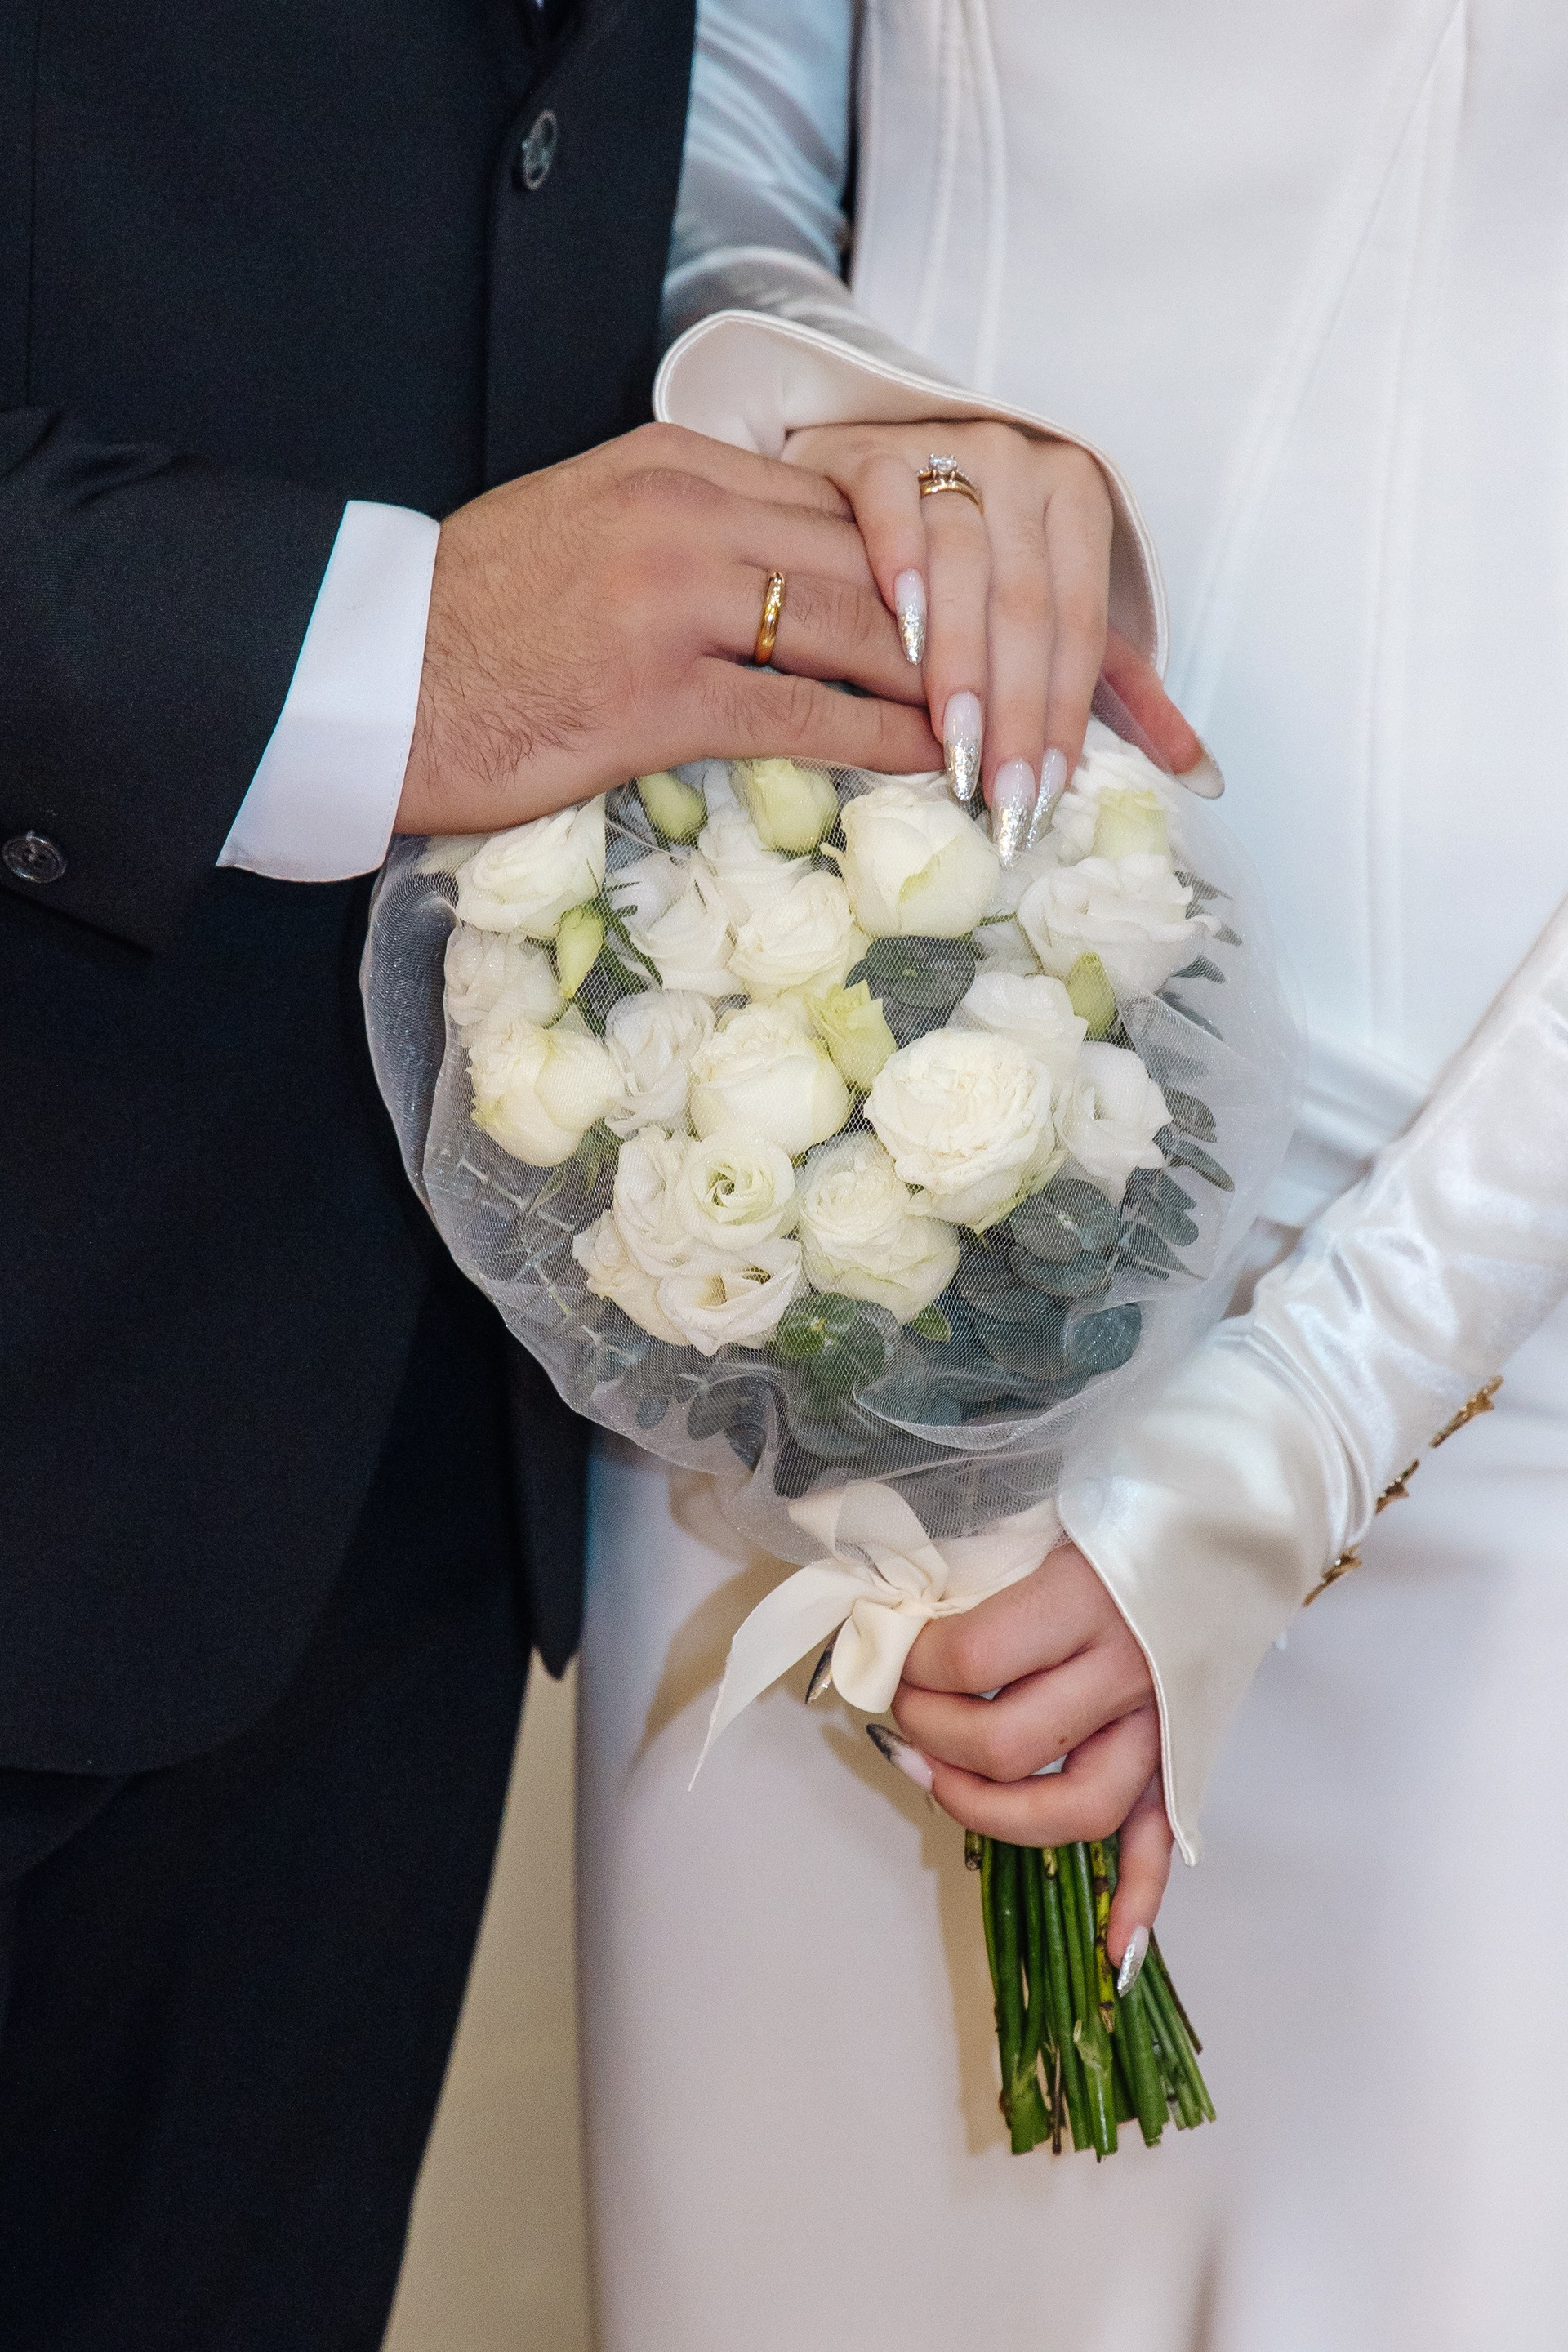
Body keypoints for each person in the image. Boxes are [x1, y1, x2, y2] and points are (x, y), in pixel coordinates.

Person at [577, 4, 1568, 2347]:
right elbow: (698, 127)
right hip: (835, 1097)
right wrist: (834, 405)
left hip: (1486, 1266)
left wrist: (1305, 1417)